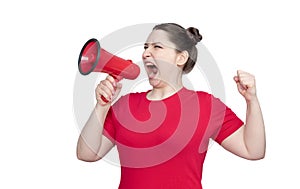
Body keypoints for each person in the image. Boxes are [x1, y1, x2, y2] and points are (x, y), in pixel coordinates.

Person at [76, 23, 266, 189]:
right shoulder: (125, 104)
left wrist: (252, 100)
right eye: (145, 47)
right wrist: (102, 106)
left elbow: (253, 150)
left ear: (181, 58)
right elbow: (86, 154)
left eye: (157, 46)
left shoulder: (206, 105)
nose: (145, 53)